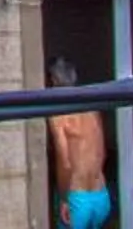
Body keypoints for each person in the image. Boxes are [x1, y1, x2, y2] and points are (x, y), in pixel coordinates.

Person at [47, 56, 112, 229]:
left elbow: (65, 162)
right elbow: (102, 152)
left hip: (77, 198)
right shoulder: (92, 109)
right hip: (101, 196)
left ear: (53, 81)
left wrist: (63, 199)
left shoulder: (58, 117)